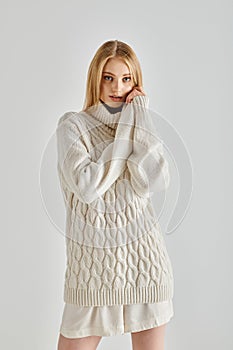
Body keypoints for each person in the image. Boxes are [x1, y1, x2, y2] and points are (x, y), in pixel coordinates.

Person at [56, 39, 174, 350]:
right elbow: (87, 186)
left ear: (136, 84)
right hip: (91, 274)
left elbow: (155, 179)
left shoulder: (139, 126)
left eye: (126, 79)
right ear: (96, 77)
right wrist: (126, 130)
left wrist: (140, 119)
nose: (117, 87)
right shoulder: (72, 126)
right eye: (109, 77)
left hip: (145, 266)